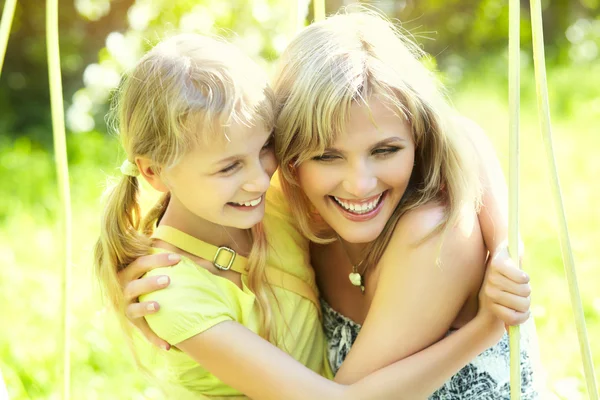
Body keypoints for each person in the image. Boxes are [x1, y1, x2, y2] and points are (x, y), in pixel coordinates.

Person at [107, 13, 534, 400]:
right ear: (293, 157)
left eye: (385, 150)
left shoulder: (432, 234)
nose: (360, 184)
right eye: (327, 156)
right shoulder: (276, 213)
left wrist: (503, 248)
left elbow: (463, 133)